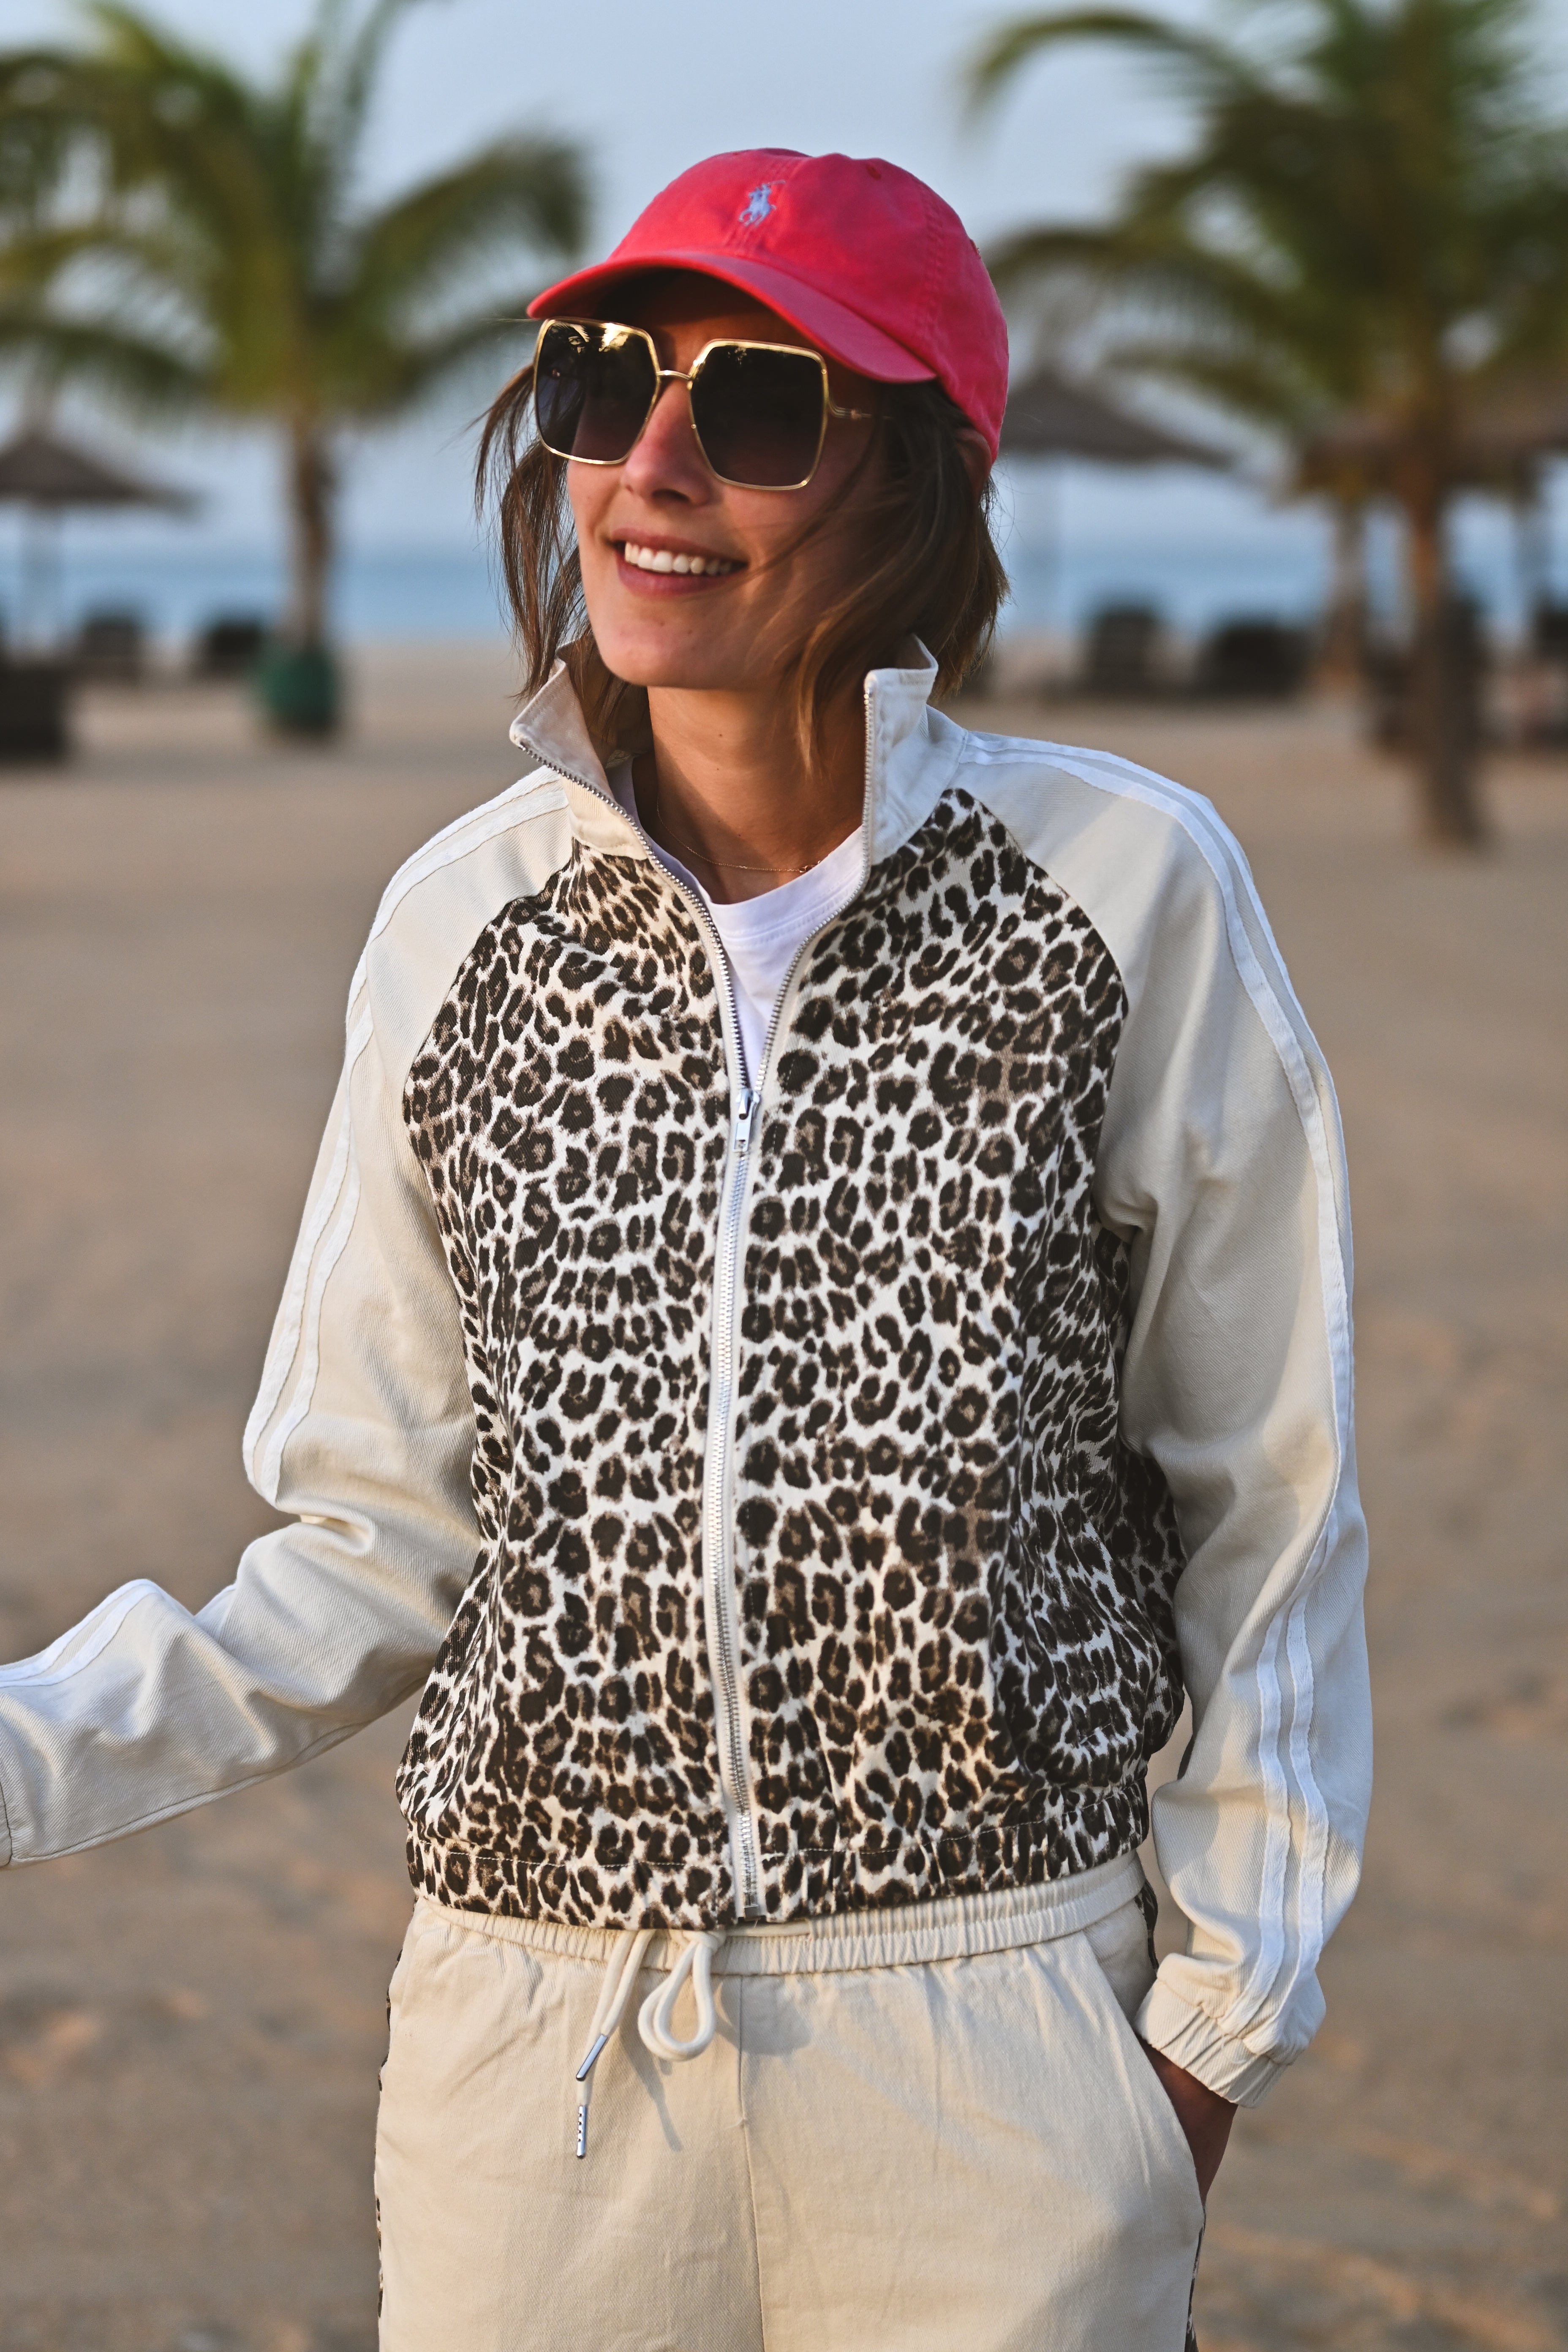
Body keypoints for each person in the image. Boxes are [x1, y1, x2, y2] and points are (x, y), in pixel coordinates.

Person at [0, 150, 1371, 2351]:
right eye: (603, 381)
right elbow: (368, 1550)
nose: (651, 466)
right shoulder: (459, 928)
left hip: (989, 2040)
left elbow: (1271, 1500)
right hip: (533, 2061)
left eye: (756, 408)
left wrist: (1209, 2033)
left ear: (913, 479)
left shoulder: (1126, 892)